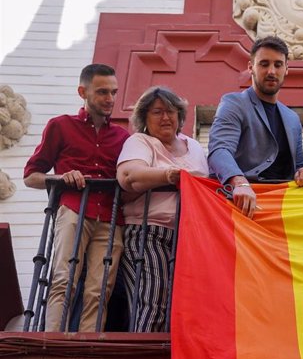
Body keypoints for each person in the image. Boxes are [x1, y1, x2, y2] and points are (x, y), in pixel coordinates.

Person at [24, 63, 129, 332]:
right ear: (82, 91)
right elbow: (31, 176)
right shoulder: (60, 126)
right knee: (63, 278)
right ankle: (53, 341)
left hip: (110, 217)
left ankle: (88, 344)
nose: (110, 99)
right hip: (72, 210)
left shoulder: (122, 136)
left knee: (100, 287)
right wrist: (62, 178)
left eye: (114, 93)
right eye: (102, 92)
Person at [116, 86, 208, 332]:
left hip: (188, 237)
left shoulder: (195, 147)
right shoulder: (140, 141)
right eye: (157, 112)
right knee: (153, 300)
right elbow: (129, 176)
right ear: (144, 118)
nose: (166, 118)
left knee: (185, 306)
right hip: (149, 232)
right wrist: (170, 175)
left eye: (171, 111)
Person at [207, 36, 303, 218]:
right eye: (264, 64)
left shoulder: (292, 118)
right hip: (240, 206)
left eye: (278, 65)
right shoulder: (233, 103)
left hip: (281, 210)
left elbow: (298, 167)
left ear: (286, 69)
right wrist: (240, 183)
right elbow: (219, 150)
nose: (271, 71)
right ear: (251, 67)